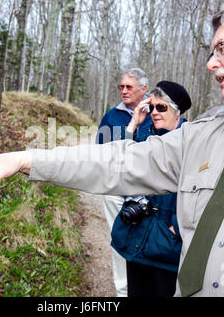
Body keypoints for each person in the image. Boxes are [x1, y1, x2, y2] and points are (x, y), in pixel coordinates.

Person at [0, 0, 224, 296]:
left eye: (223, 48)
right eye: (211, 52)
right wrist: (26, 159)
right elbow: (118, 162)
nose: (211, 63)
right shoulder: (206, 134)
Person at [111, 81, 192, 297]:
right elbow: (119, 166)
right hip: (137, 237)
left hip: (168, 246)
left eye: (161, 107)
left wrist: (176, 226)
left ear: (177, 111)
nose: (155, 113)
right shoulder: (145, 135)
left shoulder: (192, 141)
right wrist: (133, 124)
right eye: (152, 107)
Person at [95, 68, 153, 297]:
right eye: (121, 87)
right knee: (120, 237)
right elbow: (100, 152)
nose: (124, 91)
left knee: (145, 239)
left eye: (129, 86)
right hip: (116, 189)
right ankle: (123, 291)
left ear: (143, 89)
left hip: (147, 191)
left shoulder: (155, 113)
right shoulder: (112, 116)